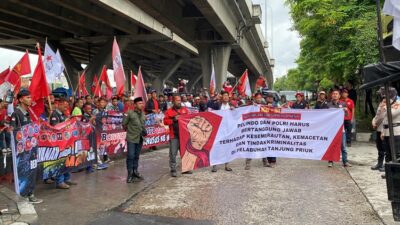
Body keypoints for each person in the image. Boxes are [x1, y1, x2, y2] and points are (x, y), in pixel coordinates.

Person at [10, 90, 43, 203]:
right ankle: (24, 196)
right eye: (28, 97)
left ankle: (31, 193)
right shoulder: (16, 114)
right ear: (20, 99)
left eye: (30, 97)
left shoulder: (28, 113)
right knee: (24, 173)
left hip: (31, 149)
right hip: (22, 152)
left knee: (32, 172)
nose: (30, 99)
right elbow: (13, 132)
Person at [50, 98, 78, 189]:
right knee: (60, 162)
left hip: (66, 141)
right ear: (59, 105)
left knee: (67, 160)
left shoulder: (63, 114)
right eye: (65, 106)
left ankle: (67, 178)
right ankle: (60, 181)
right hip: (58, 142)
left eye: (67, 106)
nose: (66, 108)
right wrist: (66, 123)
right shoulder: (54, 114)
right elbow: (55, 127)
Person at [376, 87, 400, 178]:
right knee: (388, 153)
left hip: (396, 132)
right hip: (386, 131)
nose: (382, 97)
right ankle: (389, 172)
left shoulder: (397, 103)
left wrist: (385, 106)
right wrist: (382, 131)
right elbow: (384, 119)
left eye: (383, 94)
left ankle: (397, 173)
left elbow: (391, 114)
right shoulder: (387, 104)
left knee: (397, 154)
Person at [164, 95, 190, 177]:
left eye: (179, 100)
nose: (179, 102)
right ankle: (173, 170)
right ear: (173, 102)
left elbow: (189, 119)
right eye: (177, 100)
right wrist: (174, 120)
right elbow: (165, 122)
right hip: (174, 136)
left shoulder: (185, 110)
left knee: (185, 153)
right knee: (173, 154)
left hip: (183, 136)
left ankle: (186, 168)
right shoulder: (169, 111)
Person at [122, 97, 146, 183]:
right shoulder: (129, 113)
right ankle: (129, 174)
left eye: (142, 103)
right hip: (131, 138)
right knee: (130, 156)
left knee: (136, 156)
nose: (141, 105)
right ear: (135, 105)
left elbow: (142, 124)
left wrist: (144, 131)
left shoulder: (143, 114)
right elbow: (124, 124)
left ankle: (135, 171)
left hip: (140, 138)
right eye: (139, 103)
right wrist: (130, 131)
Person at [327, 89, 351, 168]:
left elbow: (347, 115)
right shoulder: (328, 105)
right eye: (333, 94)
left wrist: (346, 110)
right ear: (331, 95)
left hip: (341, 129)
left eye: (336, 94)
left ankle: (345, 161)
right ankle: (330, 161)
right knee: (331, 146)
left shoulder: (343, 104)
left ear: (339, 96)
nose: (335, 95)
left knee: (343, 146)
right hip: (331, 129)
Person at [245, 92, 269, 170]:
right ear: (255, 98)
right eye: (257, 98)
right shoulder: (251, 106)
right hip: (253, 129)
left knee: (263, 145)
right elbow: (244, 110)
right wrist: (252, 106)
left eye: (260, 98)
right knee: (251, 146)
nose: (259, 99)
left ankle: (265, 162)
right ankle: (248, 163)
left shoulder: (264, 106)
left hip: (262, 129)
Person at [211, 91, 233, 172]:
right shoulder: (217, 105)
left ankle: (227, 165)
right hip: (218, 129)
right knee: (216, 147)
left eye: (227, 95)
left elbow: (240, 111)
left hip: (228, 130)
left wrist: (234, 110)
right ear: (221, 97)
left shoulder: (231, 105)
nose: (226, 97)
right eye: (224, 96)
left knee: (227, 147)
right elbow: (208, 105)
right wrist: (214, 99)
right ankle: (214, 165)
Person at [371, 93, 386, 171]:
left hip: (385, 130)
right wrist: (373, 121)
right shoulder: (380, 105)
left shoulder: (387, 107)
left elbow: (381, 117)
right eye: (382, 101)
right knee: (379, 147)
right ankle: (379, 163)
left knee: (385, 148)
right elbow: (376, 116)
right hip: (378, 129)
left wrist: (375, 122)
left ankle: (386, 164)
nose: (383, 103)